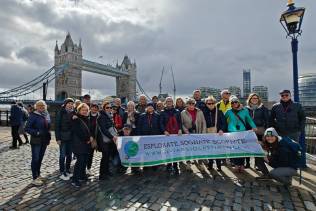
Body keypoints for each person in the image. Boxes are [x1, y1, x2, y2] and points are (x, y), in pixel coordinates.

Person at [225, 96, 257, 172]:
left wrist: (254, 127)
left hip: (242, 132)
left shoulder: (244, 110)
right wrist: (222, 129)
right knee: (234, 149)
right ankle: (236, 165)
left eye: (236, 102)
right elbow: (223, 120)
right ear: (231, 104)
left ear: (238, 102)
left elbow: (249, 120)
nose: (234, 104)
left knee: (242, 149)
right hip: (232, 132)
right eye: (232, 102)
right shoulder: (228, 111)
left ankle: (242, 165)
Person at [25, 100, 51, 186]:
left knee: (40, 158)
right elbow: (27, 128)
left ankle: (38, 174)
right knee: (35, 158)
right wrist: (37, 132)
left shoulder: (46, 115)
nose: (41, 107)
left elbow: (47, 127)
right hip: (36, 140)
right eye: (39, 106)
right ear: (36, 107)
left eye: (43, 106)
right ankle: (34, 178)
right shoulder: (33, 115)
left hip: (44, 140)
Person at [202, 96, 227, 171]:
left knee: (218, 150)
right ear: (206, 104)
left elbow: (224, 123)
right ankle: (210, 164)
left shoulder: (219, 112)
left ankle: (218, 166)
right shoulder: (203, 112)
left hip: (217, 133)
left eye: (212, 103)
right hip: (207, 133)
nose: (211, 104)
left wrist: (222, 129)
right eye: (209, 103)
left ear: (215, 103)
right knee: (209, 149)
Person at [71, 103, 92, 188]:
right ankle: (75, 179)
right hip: (79, 144)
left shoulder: (87, 119)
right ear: (79, 110)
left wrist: (90, 137)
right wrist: (87, 139)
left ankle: (82, 176)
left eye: (86, 110)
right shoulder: (76, 119)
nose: (85, 111)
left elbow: (88, 130)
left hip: (85, 144)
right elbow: (78, 132)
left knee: (84, 160)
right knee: (80, 161)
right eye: (83, 110)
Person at [246, 93, 269, 168]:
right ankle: (247, 163)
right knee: (248, 147)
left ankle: (257, 164)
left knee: (258, 148)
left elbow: (267, 120)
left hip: (260, 130)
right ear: (250, 99)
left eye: (256, 98)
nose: (254, 100)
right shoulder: (246, 109)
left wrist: (266, 130)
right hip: (249, 130)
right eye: (253, 98)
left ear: (258, 99)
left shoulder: (263, 108)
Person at [160, 97, 182, 175]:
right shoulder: (162, 112)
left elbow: (180, 122)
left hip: (176, 134)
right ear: (165, 102)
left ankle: (176, 165)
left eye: (170, 101)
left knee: (176, 150)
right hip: (167, 134)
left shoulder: (177, 111)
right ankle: (169, 164)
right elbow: (161, 123)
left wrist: (180, 129)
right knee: (168, 150)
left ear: (173, 102)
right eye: (167, 101)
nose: (169, 102)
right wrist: (164, 131)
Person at [96, 101, 118, 180]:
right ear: (104, 108)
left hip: (109, 140)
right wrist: (112, 137)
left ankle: (107, 171)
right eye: (107, 107)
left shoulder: (110, 116)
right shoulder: (101, 116)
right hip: (104, 140)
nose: (109, 109)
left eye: (110, 107)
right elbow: (104, 129)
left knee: (108, 157)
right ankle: (102, 175)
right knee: (104, 157)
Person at [55, 98, 75, 181]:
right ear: (65, 104)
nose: (70, 105)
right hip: (62, 137)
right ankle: (62, 171)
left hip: (71, 137)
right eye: (69, 103)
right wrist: (58, 138)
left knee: (69, 155)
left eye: (71, 104)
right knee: (62, 155)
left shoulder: (74, 113)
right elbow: (57, 126)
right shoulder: (60, 112)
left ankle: (67, 169)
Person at [86, 103, 99, 175]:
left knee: (91, 154)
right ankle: (83, 167)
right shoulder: (87, 116)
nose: (94, 109)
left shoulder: (99, 116)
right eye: (93, 107)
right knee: (85, 154)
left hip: (95, 139)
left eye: (95, 107)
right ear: (90, 108)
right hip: (87, 138)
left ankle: (88, 168)